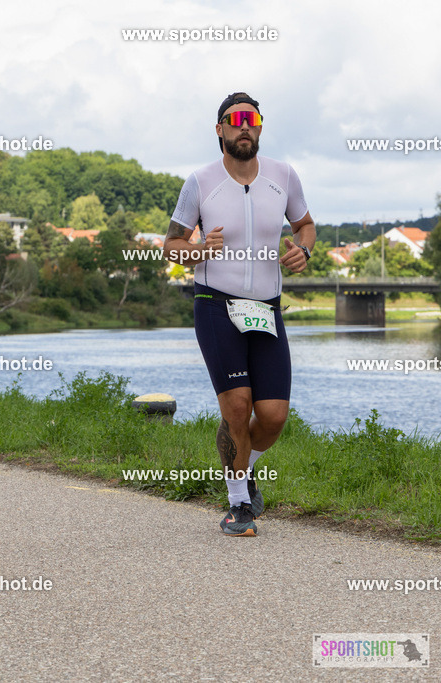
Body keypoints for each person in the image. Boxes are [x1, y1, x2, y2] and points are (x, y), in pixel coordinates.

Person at [163, 92, 315, 537]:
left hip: (265, 309)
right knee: (237, 406)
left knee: (272, 417)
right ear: (220, 130)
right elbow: (170, 247)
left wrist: (303, 248)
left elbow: (306, 224)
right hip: (215, 305)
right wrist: (194, 250)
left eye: (252, 119)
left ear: (261, 127)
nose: (244, 126)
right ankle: (238, 507)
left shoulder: (284, 176)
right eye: (235, 120)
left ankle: (242, 464)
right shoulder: (200, 181)